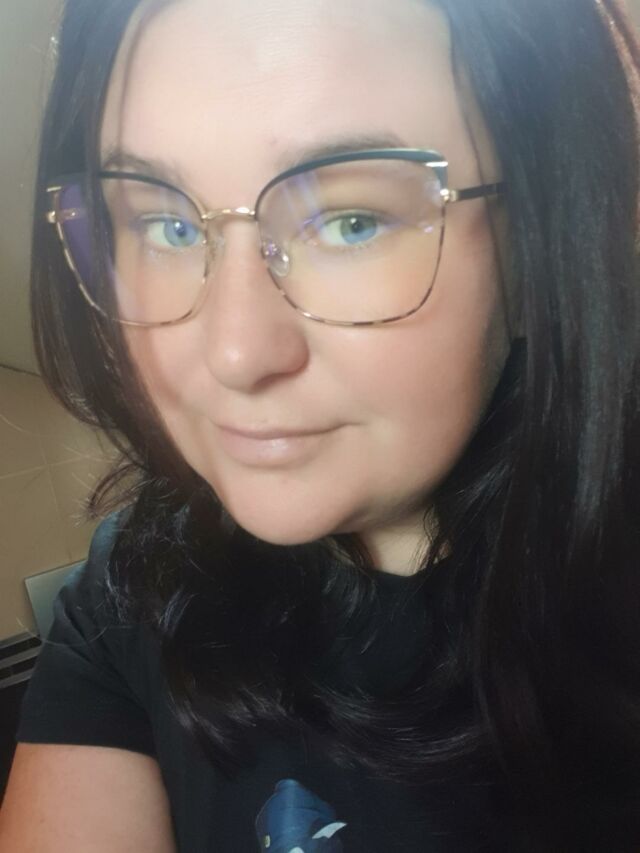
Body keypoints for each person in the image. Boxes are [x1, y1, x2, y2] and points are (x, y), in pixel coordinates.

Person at [1, 0, 639, 849]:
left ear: (538, 240)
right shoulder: (131, 593)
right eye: (167, 224)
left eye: (350, 221)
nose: (234, 352)